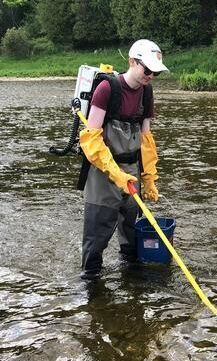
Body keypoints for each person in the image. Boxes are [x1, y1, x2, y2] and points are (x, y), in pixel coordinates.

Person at [78, 39, 168, 280]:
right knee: (98, 231)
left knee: (130, 227)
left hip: (132, 167)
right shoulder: (107, 89)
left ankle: (130, 273)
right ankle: (90, 281)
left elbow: (146, 139)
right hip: (103, 170)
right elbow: (91, 139)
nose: (151, 76)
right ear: (132, 62)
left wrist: (148, 178)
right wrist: (115, 174)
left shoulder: (147, 92)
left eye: (155, 72)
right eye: (147, 69)